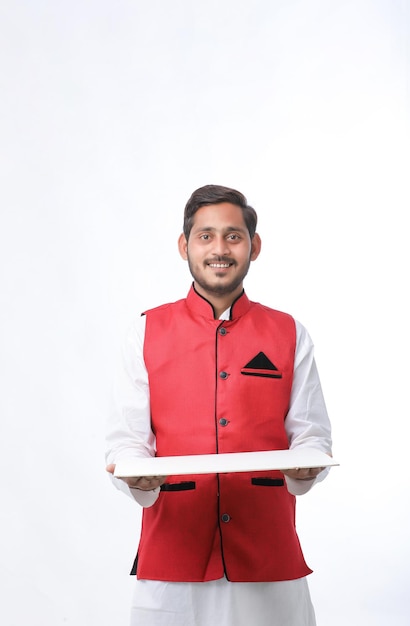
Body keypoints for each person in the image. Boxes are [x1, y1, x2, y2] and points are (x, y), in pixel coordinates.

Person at [105, 184, 332, 626]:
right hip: (173, 558)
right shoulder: (145, 331)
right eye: (205, 236)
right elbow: (126, 444)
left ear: (254, 245)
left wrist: (308, 469)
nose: (219, 248)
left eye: (233, 235)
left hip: (269, 558)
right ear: (184, 245)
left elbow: (312, 435)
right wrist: (137, 478)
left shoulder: (289, 332)